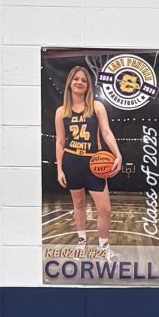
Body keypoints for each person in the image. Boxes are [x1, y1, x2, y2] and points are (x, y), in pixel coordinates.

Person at [52, 64, 122, 258]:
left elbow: (106, 132)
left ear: (88, 85)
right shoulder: (61, 111)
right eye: (76, 79)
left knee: (105, 209)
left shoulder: (96, 107)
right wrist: (59, 169)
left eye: (83, 80)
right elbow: (60, 141)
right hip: (72, 162)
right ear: (70, 83)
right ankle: (82, 242)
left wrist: (118, 154)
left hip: (94, 163)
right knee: (79, 204)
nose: (79, 82)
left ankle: (103, 246)